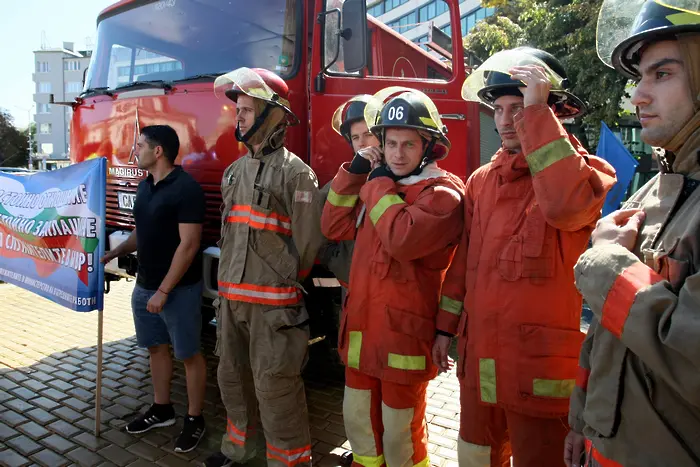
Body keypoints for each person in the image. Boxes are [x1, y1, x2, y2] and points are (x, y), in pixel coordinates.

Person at [435, 47, 616, 467]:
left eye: (519, 107)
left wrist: (537, 114)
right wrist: (445, 326)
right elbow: (464, 261)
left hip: (539, 373)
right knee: (477, 457)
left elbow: (565, 208)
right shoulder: (482, 180)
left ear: (550, 110)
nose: (503, 120)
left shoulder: (586, 173)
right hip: (480, 361)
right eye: (498, 108)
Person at [565, 2, 700, 466]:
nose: (638, 95)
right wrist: (582, 422)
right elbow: (606, 334)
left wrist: (607, 265)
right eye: (639, 77)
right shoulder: (656, 187)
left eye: (661, 75)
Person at [322, 87, 465, 467]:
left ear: (429, 147)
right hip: (361, 332)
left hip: (403, 339)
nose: (397, 154)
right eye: (391, 143)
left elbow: (402, 238)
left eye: (409, 145)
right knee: (360, 427)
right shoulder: (375, 183)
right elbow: (332, 226)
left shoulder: (443, 194)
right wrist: (353, 173)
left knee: (400, 435)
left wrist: (378, 182)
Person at [204, 67, 324, 467]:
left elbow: (308, 247)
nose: (237, 118)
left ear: (272, 114)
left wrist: (279, 279)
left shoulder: (296, 174)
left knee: (276, 390)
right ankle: (239, 451)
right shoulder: (233, 173)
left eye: (246, 110)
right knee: (232, 382)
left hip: (273, 310)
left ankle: (288, 463)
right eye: (236, 110)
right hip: (231, 303)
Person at [101, 124, 207, 453]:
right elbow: (140, 233)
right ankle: (162, 409)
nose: (135, 151)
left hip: (178, 291)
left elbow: (189, 245)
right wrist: (115, 252)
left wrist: (164, 291)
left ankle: (195, 418)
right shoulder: (145, 186)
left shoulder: (186, 188)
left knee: (188, 354)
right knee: (156, 349)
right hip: (145, 285)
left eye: (140, 145)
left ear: (157, 151)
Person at [318, 94, 379, 289]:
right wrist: (338, 263)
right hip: (352, 285)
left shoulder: (402, 178)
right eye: (355, 137)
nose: (361, 143)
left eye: (368, 134)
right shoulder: (342, 182)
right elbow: (323, 231)